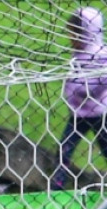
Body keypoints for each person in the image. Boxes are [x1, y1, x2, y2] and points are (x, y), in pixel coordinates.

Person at [52, 6, 107, 190]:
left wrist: (82, 89)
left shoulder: (101, 55)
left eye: (74, 34)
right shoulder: (77, 55)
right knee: (64, 150)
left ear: (86, 33)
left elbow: (101, 79)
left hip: (99, 112)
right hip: (78, 113)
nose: (70, 39)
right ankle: (57, 185)